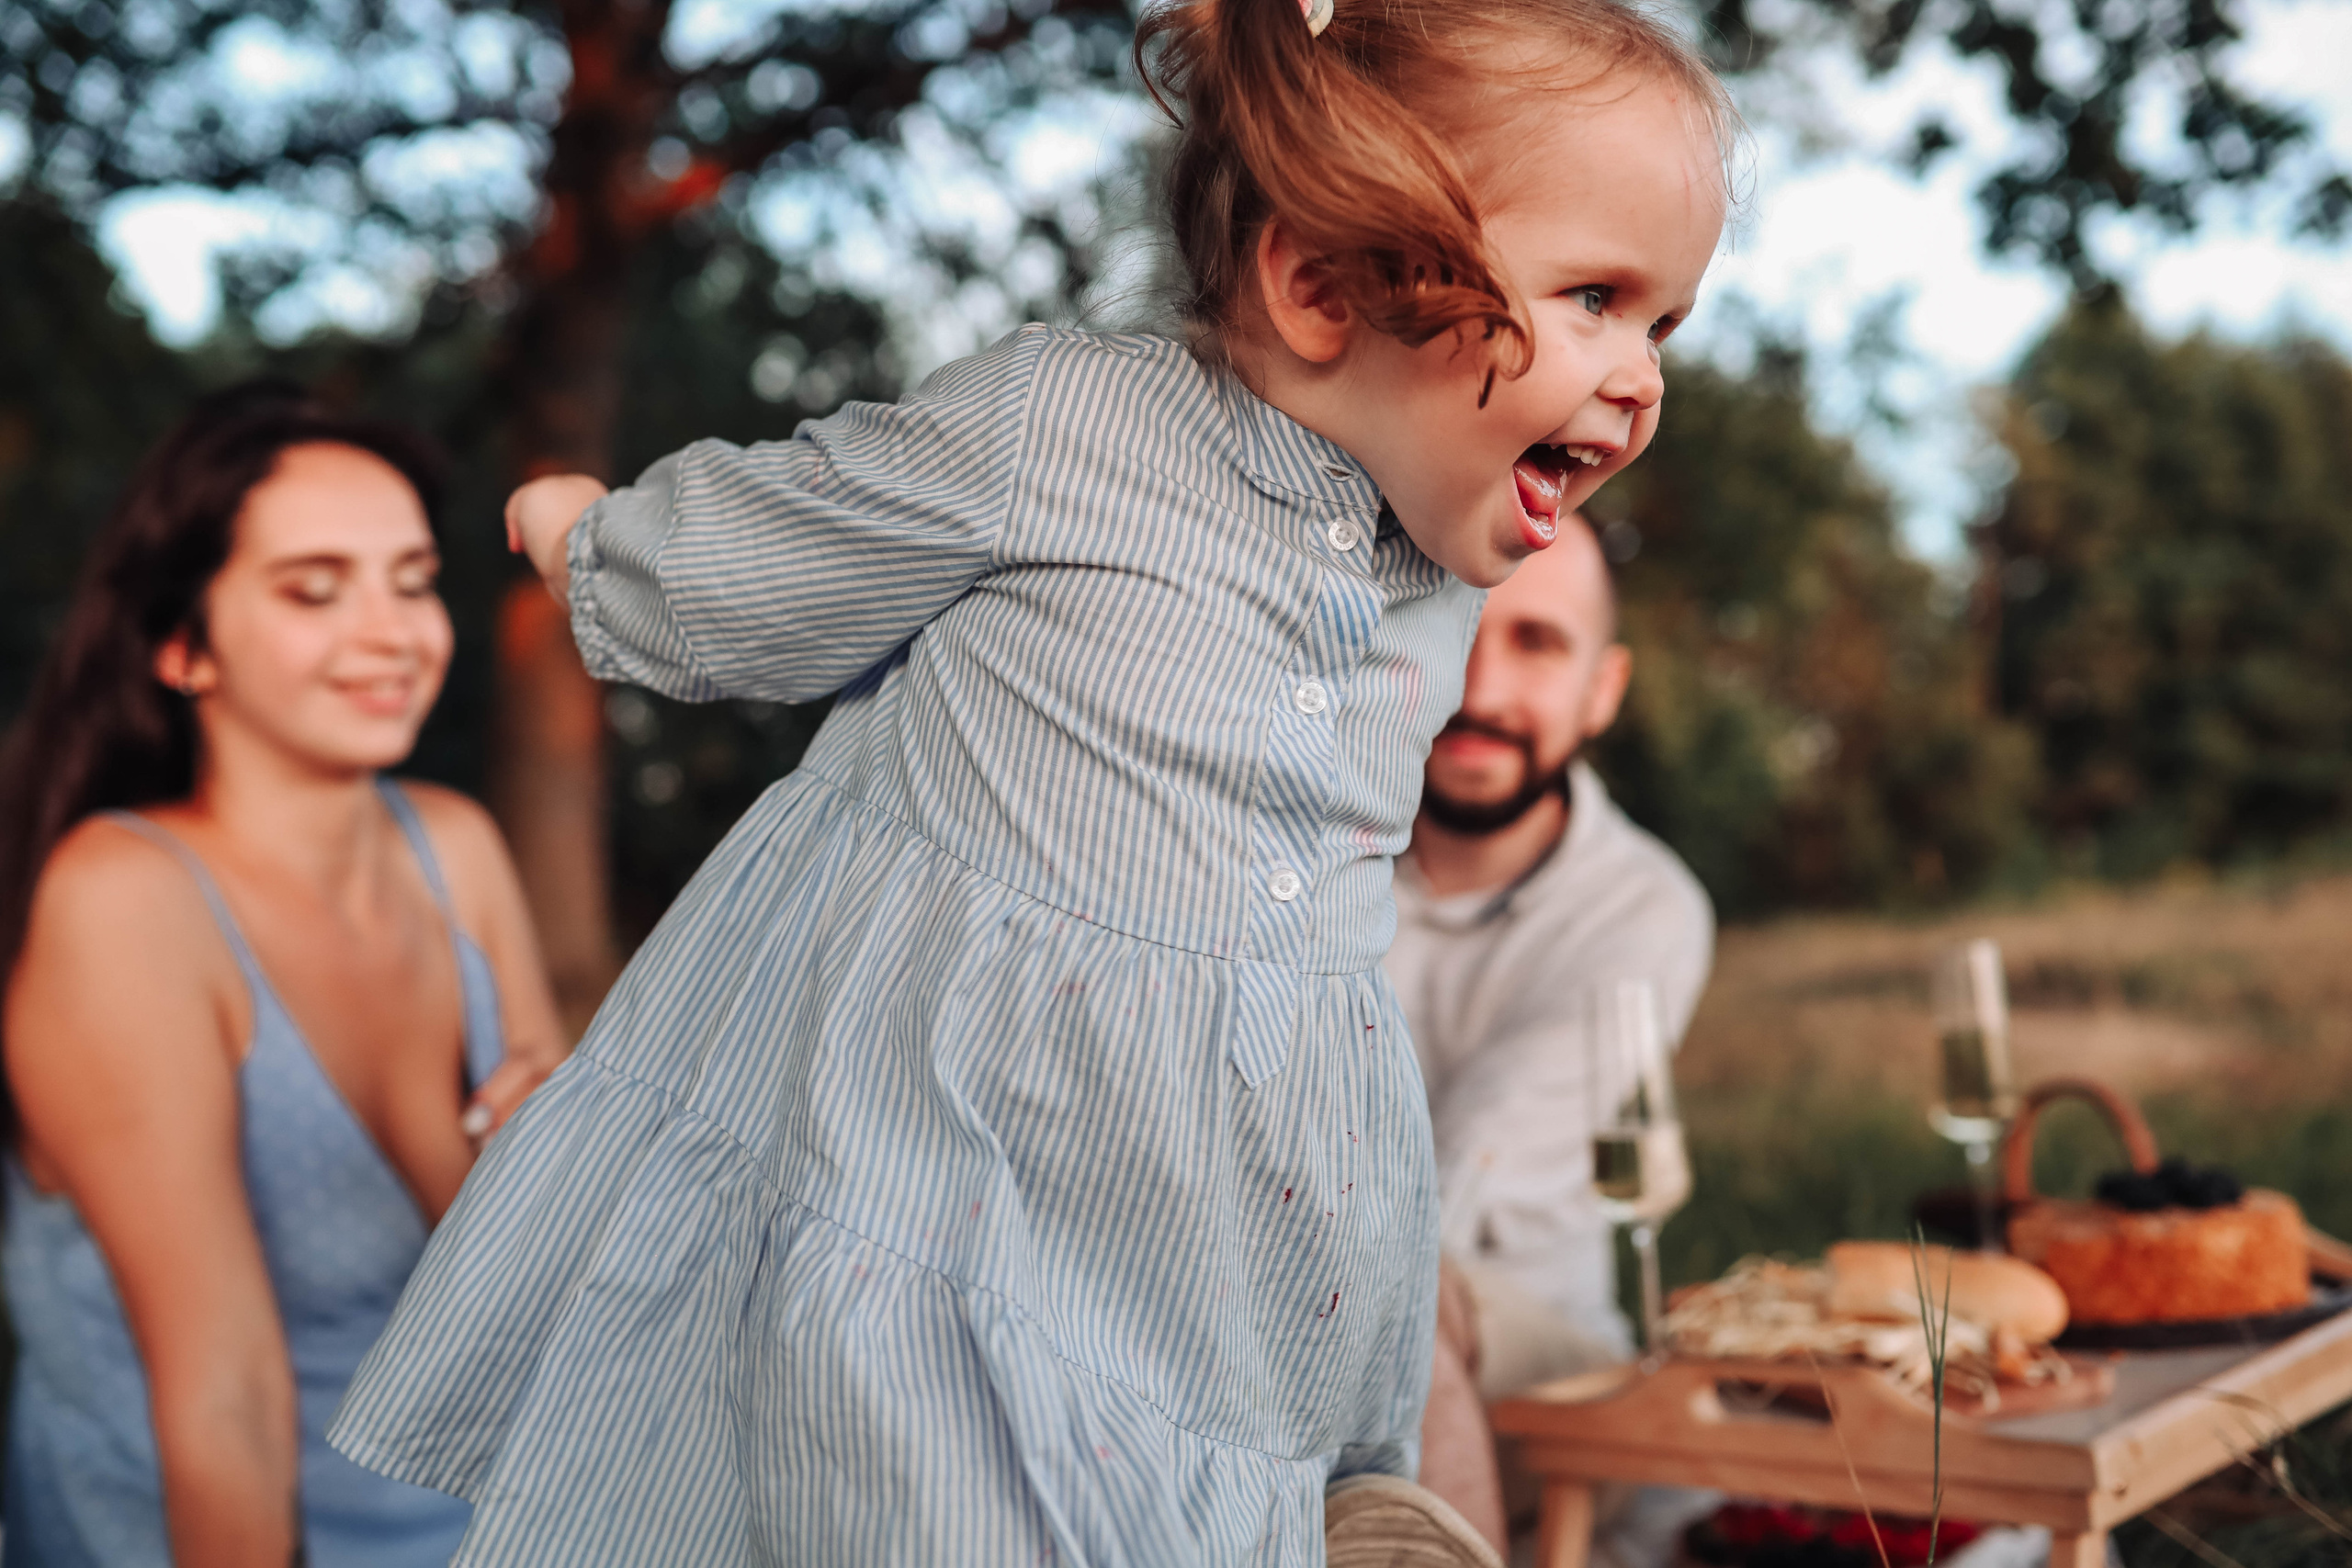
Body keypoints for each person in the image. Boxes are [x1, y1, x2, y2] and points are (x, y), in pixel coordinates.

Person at [329, 2, 1736, 1562]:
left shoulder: (1442, 573)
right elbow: (810, 530)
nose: (1641, 378)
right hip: (957, 1156)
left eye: (1664, 322)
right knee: (930, 1486)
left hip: (1229, 1231)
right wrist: (607, 542)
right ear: (1323, 285)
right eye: (1596, 298)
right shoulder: (1065, 425)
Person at [0, 385, 567, 1568]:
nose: (392, 633)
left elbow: (542, 1311)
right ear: (182, 643)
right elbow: (225, 1401)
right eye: (315, 589)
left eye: (411, 581)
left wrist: (567, 1164)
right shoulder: (126, 902)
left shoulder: (455, 849)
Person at [1393, 515, 1715, 1555]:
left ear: (1602, 690)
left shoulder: (1638, 908)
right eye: (1458, 626)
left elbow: (1447, 1201)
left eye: (1535, 644)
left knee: (1406, 1284)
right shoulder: (1300, 855)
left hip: (1539, 1356)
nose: (1479, 691)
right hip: (1284, 1317)